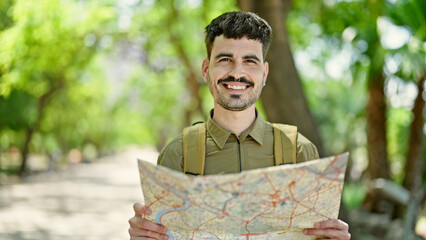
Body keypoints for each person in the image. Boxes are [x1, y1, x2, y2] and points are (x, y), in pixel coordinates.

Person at [129, 11, 350, 240]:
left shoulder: (300, 151)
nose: (237, 73)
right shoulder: (177, 154)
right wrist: (144, 236)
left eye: (249, 61)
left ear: (264, 73)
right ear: (206, 70)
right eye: (225, 60)